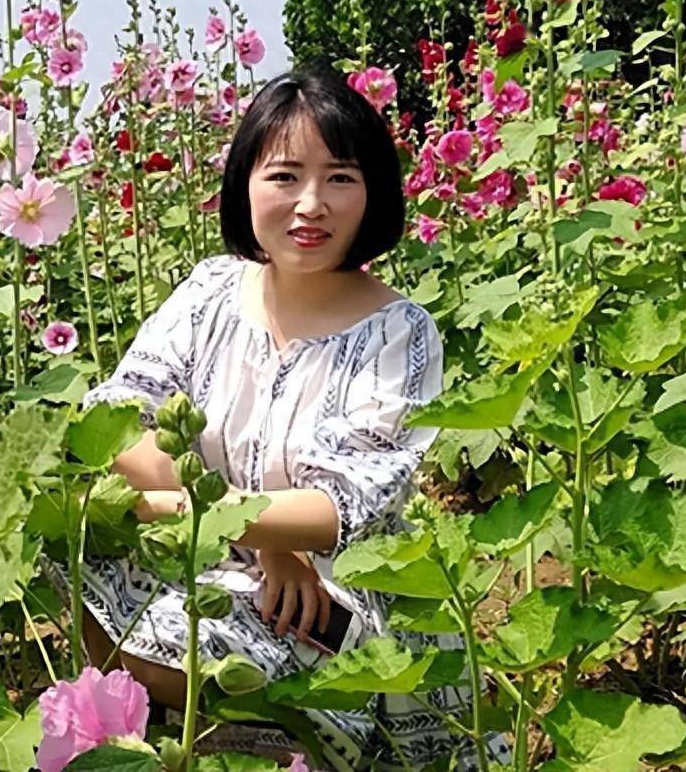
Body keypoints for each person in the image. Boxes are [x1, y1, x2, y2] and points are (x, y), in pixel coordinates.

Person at [45, 65, 511, 770]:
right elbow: (117, 418)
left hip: (323, 593)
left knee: (213, 657)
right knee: (68, 535)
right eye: (285, 176)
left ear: (373, 193)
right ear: (246, 185)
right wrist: (249, 534)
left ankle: (288, 746)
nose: (311, 204)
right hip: (203, 557)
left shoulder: (399, 332)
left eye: (341, 179)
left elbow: (341, 507)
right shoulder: (209, 292)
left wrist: (200, 513)